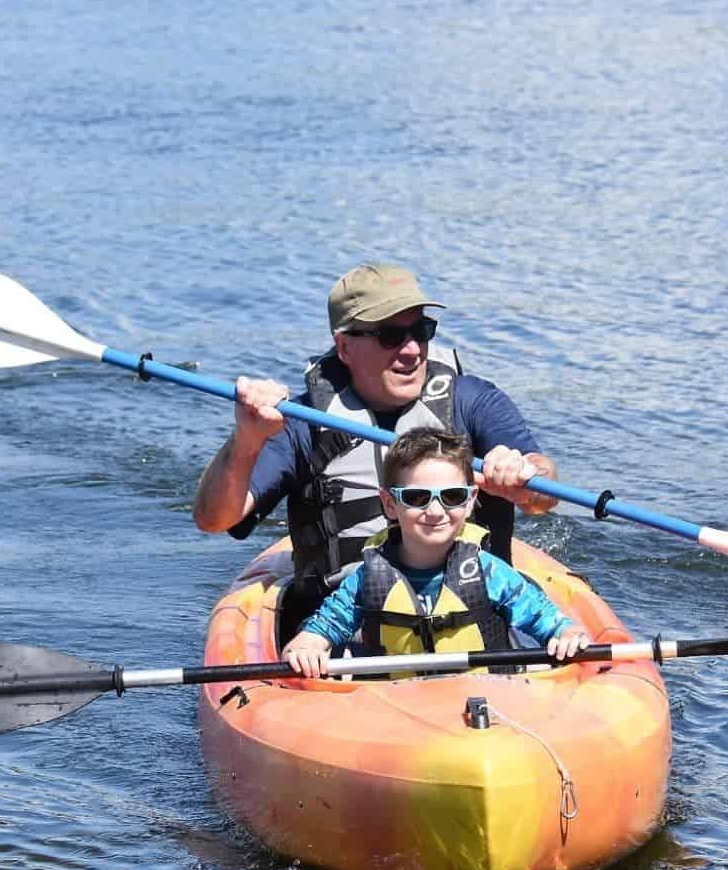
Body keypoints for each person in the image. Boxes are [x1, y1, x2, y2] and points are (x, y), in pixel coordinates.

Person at [191, 261, 560, 638]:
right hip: (345, 636)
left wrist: (526, 479)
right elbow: (214, 519)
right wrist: (246, 441)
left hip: (474, 626)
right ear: (345, 346)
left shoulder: (474, 402)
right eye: (390, 336)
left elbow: (544, 492)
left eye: (422, 330)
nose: (412, 350)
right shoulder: (301, 423)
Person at [281, 428, 591, 676]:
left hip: (487, 706)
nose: (435, 511)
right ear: (390, 504)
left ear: (470, 502)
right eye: (416, 497)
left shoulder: (490, 573)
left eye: (453, 496)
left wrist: (566, 634)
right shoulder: (367, 579)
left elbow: (546, 620)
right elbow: (324, 627)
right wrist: (307, 646)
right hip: (397, 708)